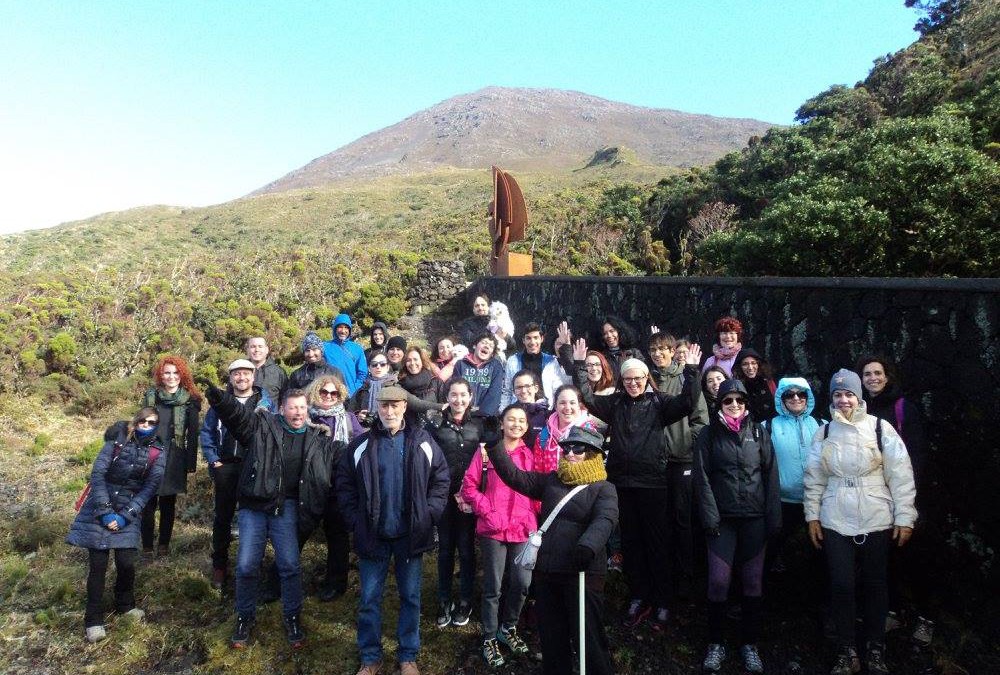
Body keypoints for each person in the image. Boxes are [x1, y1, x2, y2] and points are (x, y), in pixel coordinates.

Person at [576, 342, 703, 631]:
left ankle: (663, 600)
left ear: (647, 379)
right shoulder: (616, 403)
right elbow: (586, 395)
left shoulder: (660, 403)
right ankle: (637, 595)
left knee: (657, 543)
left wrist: (692, 371)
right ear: (622, 381)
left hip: (653, 483)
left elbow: (688, 402)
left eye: (638, 378)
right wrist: (579, 365)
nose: (633, 383)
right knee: (632, 542)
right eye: (628, 379)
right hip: (621, 482)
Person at [204, 384, 340, 649]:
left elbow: (343, 457)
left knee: (289, 565)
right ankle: (244, 617)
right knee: (245, 565)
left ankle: (292, 616)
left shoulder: (317, 439)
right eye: (292, 407)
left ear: (307, 410)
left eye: (302, 407)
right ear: (282, 409)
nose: (298, 413)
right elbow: (236, 416)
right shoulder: (262, 427)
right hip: (254, 507)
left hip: (286, 507)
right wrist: (220, 398)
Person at [804, 369, 917, 675]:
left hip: (876, 515)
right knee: (841, 584)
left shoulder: (880, 428)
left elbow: (901, 474)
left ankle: (876, 649)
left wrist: (905, 517)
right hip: (835, 516)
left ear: (859, 396)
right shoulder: (824, 433)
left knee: (875, 584)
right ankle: (846, 650)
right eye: (838, 394)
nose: (843, 400)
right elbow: (814, 479)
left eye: (849, 394)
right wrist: (812, 515)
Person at [484, 424, 619, 675]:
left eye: (578, 449)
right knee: (552, 637)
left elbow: (606, 519)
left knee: (588, 638)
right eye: (566, 447)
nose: (569, 453)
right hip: (547, 572)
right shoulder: (552, 480)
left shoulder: (603, 488)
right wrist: (495, 446)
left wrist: (588, 545)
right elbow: (515, 477)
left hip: (582, 574)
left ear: (593, 454)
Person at [336, 385, 450, 675]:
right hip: (373, 534)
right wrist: (354, 519)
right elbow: (345, 483)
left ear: (404, 408)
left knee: (411, 597)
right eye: (384, 406)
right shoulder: (362, 444)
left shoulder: (422, 441)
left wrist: (429, 514)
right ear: (377, 408)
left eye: (394, 405)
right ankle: (370, 657)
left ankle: (408, 656)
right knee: (368, 600)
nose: (389, 411)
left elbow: (441, 479)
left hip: (410, 535)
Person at [693, 379, 781, 674]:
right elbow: (702, 478)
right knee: (718, 582)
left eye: (739, 401)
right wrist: (709, 517)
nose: (734, 406)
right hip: (723, 519)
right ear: (720, 404)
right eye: (728, 401)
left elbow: (770, 475)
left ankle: (750, 644)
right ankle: (716, 643)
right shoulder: (708, 434)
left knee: (753, 583)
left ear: (746, 404)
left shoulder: (758, 432)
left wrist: (773, 517)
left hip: (754, 517)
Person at [67, 408, 166, 643]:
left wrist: (126, 515)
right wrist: (104, 512)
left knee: (126, 562)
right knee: (98, 565)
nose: (146, 425)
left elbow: (150, 488)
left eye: (152, 422)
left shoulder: (158, 452)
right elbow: (98, 475)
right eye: (142, 420)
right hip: (100, 508)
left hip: (129, 511)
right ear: (136, 421)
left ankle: (125, 605)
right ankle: (93, 619)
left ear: (157, 425)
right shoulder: (116, 442)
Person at [856, 355, 932, 645]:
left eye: (877, 373)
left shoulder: (903, 409)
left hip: (903, 495)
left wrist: (909, 501)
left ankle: (926, 616)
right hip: (874, 497)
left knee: (914, 558)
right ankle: (892, 611)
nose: (873, 378)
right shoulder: (860, 411)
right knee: (884, 559)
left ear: (887, 376)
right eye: (867, 374)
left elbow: (916, 456)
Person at [462, 404, 536, 667]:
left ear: (527, 427)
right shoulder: (486, 452)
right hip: (493, 528)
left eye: (521, 421)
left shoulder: (531, 456)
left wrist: (537, 524)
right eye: (511, 420)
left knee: (522, 582)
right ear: (502, 424)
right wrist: (487, 510)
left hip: (523, 528)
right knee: (493, 586)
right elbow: (469, 486)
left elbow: (537, 492)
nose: (516, 424)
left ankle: (509, 628)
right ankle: (490, 637)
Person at [199, 359, 275, 590]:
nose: (241, 378)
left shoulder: (265, 403)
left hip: (254, 466)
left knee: (253, 516)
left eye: (246, 374)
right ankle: (220, 566)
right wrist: (214, 460)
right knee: (222, 517)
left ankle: (252, 564)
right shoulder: (220, 402)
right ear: (230, 378)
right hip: (226, 466)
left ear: (253, 376)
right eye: (236, 374)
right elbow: (207, 432)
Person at [648, 331, 709, 600]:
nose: (658, 354)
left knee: (682, 520)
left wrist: (684, 443)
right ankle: (663, 578)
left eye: (663, 349)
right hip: (653, 463)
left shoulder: (687, 378)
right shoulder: (646, 379)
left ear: (673, 351)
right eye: (654, 350)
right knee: (659, 521)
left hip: (681, 460)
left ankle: (686, 580)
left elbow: (701, 420)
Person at [425, 377, 484, 629]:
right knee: (446, 549)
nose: (458, 400)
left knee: (467, 549)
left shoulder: (480, 425)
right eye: (453, 395)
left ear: (470, 397)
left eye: (463, 395)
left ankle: (465, 599)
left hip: (469, 496)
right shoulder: (435, 424)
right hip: (444, 496)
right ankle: (443, 598)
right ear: (446, 397)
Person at [303, 375, 362, 600]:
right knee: (296, 534)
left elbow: (360, 447)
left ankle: (336, 584)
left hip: (338, 487)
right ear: (316, 392)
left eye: (333, 393)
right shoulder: (304, 417)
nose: (328, 396)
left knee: (337, 537)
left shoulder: (347, 419)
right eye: (324, 392)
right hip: (308, 486)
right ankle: (282, 579)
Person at [140, 355, 202, 556]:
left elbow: (193, 434)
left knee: (168, 503)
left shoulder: (190, 400)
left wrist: (190, 463)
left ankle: (164, 546)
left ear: (181, 374)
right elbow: (140, 426)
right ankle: (147, 547)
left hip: (175, 455)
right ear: (161, 374)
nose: (171, 376)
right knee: (148, 502)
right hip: (150, 453)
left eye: (175, 373)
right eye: (167, 372)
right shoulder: (151, 396)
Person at [766, 377, 822, 579]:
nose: (796, 398)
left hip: (817, 502)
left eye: (801, 394)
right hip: (783, 501)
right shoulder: (768, 426)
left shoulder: (822, 425)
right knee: (773, 548)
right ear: (781, 397)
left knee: (818, 552)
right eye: (789, 394)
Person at [534, 381, 601, 474]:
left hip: (579, 486)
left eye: (572, 403)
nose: (567, 407)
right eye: (562, 403)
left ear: (579, 406)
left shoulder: (589, 432)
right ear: (556, 406)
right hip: (550, 487)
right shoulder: (544, 435)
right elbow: (538, 472)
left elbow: (595, 469)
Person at [500, 322, 569, 407]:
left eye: (536, 338)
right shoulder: (513, 360)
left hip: (545, 409)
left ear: (541, 339)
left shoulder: (551, 361)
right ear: (523, 340)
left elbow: (557, 389)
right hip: (518, 409)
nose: (532, 342)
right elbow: (507, 390)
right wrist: (503, 412)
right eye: (528, 338)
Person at [453, 332, 506, 416]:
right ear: (475, 345)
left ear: (492, 353)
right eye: (484, 342)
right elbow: (455, 389)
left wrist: (483, 414)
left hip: (485, 416)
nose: (487, 346)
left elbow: (495, 394)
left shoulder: (496, 366)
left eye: (491, 346)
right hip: (463, 413)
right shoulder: (460, 364)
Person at [323, 313, 368, 397]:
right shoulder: (325, 347)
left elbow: (362, 372)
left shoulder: (357, 348)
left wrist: (356, 388)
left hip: (352, 395)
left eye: (346, 327)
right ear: (335, 328)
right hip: (331, 394)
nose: (343, 331)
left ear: (350, 330)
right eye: (340, 327)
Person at [734, 348, 778, 422]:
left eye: (753, 363)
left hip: (773, 424)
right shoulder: (737, 387)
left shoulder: (769, 382)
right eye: (745, 364)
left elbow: (778, 402)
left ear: (758, 364)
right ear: (740, 367)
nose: (750, 368)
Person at [508, 369, 550, 447]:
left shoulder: (548, 414)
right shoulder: (509, 414)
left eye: (527, 386)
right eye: (519, 387)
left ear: (536, 388)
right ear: (514, 391)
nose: (523, 391)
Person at [246, 336, 287, 405]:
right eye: (253, 346)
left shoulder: (279, 372)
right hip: (244, 415)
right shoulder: (239, 371)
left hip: (271, 415)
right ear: (248, 350)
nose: (257, 350)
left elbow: (286, 399)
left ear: (267, 350)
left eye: (260, 346)